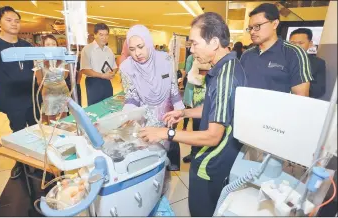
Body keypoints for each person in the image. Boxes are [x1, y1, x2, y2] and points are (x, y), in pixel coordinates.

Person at [138, 12, 246, 216]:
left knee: (201, 210)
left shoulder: (224, 77)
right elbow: (216, 108)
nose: (191, 49)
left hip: (212, 162)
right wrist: (184, 112)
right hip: (217, 157)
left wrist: (165, 134)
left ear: (214, 42)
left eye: (195, 43)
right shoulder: (227, 66)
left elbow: (213, 136)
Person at [0, 6, 40, 179]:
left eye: (17, 20)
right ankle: (21, 163)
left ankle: (37, 159)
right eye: (9, 20)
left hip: (31, 93)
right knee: (18, 130)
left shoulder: (26, 45)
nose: (14, 24)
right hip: (11, 96)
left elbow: (32, 69)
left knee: (36, 129)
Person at [120, 25, 185, 171]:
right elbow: (131, 96)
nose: (137, 53)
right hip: (145, 120)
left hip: (166, 117)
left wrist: (180, 110)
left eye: (140, 47)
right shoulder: (126, 67)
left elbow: (173, 87)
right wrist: (127, 114)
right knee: (150, 161)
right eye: (132, 49)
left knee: (166, 158)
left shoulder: (166, 59)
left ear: (148, 43)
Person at [240, 3, 313, 96]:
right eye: (250, 28)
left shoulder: (293, 53)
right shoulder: (247, 55)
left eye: (257, 26)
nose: (252, 32)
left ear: (275, 24)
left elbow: (301, 96)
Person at [34, 35, 70, 123]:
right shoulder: (39, 60)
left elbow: (65, 75)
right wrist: (46, 89)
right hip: (48, 91)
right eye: (48, 44)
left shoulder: (62, 58)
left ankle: (64, 132)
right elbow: (39, 80)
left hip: (63, 89)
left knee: (64, 114)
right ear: (43, 46)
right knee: (51, 116)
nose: (51, 46)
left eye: (54, 44)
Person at [80, 23, 118, 106]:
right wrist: (101, 75)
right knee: (95, 107)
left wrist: (113, 73)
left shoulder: (109, 50)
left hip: (107, 82)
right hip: (93, 83)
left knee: (109, 105)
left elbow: (114, 66)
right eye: (101, 35)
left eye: (106, 35)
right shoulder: (87, 49)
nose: (104, 38)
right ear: (95, 35)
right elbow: (84, 69)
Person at [289, 28, 326, 99]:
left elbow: (319, 90)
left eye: (300, 43)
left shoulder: (318, 63)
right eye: (292, 43)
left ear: (310, 44)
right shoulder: (279, 58)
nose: (296, 46)